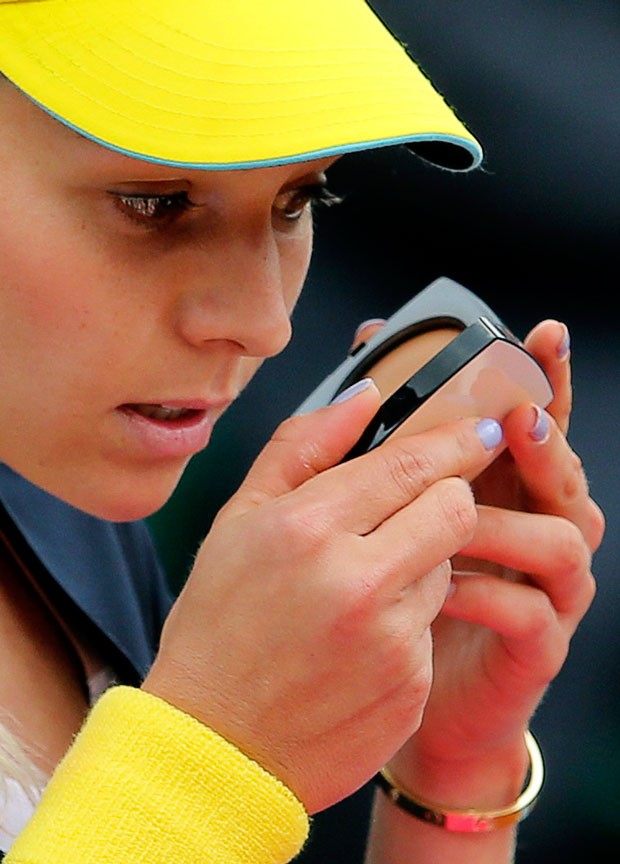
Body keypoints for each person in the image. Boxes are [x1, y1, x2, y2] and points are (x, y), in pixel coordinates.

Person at [0, 1, 604, 863]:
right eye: (155, 203)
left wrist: (449, 772)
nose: (263, 322)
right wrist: (210, 751)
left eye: (298, 198)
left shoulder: (74, 522)